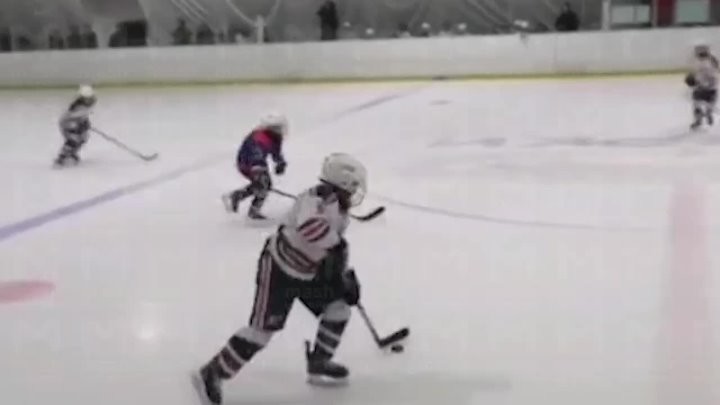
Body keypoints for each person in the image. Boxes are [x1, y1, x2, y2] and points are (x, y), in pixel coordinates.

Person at [194, 153, 367, 405]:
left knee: (339, 308)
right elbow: (311, 228)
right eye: (353, 187)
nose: (354, 193)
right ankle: (212, 372)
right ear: (343, 183)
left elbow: (329, 253)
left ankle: (319, 362)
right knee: (262, 332)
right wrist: (336, 246)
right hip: (278, 270)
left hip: (308, 272)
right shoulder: (316, 199)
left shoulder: (340, 211)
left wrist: (342, 278)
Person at [222, 113, 288, 219]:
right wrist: (258, 169)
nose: (280, 130)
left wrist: (280, 163)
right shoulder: (259, 138)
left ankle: (249, 207)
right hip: (247, 163)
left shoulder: (275, 138)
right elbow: (255, 154)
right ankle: (236, 198)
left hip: (258, 164)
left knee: (264, 185)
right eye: (277, 128)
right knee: (262, 184)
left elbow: (276, 152)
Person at [54, 85, 96, 167]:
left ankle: (72, 153)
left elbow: (83, 116)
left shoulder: (87, 105)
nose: (88, 100)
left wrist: (85, 122)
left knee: (83, 138)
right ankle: (61, 157)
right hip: (67, 124)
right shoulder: (76, 107)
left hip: (76, 123)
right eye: (86, 98)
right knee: (73, 140)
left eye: (89, 98)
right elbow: (70, 118)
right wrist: (80, 124)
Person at [686, 41, 719, 130]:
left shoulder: (701, 63)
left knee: (696, 103)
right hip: (712, 88)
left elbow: (700, 76)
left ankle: (700, 119)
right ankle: (708, 113)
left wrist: (694, 81)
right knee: (708, 103)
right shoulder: (712, 61)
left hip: (703, 87)